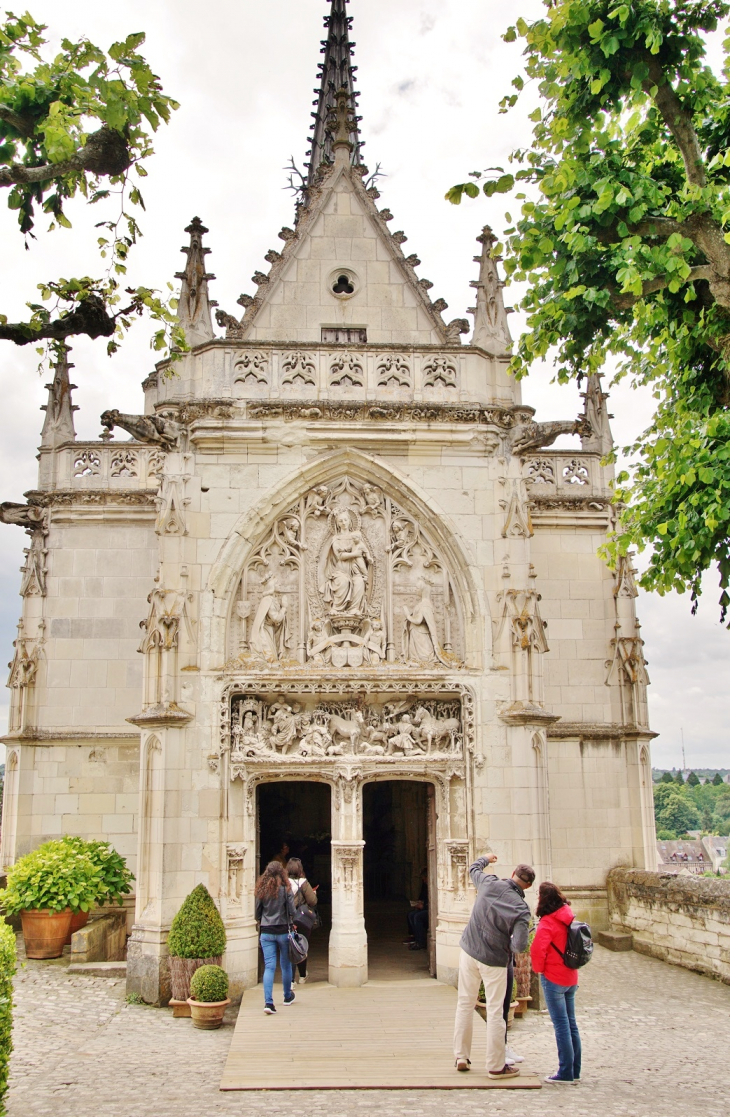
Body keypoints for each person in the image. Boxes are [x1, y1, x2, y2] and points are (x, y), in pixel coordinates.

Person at [453, 855, 535, 1081]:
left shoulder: (488, 883)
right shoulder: (521, 908)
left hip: (469, 951)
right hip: (494, 960)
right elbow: (519, 945)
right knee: (496, 1011)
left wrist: (486, 859)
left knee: (464, 1004)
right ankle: (496, 1067)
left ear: (512, 875)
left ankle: (461, 1056)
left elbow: (473, 868)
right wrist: (504, 943)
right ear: (527, 886)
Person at [530, 881, 582, 1084]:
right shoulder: (567, 915)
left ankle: (565, 1072)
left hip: (554, 977)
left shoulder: (548, 922)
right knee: (571, 1023)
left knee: (561, 1025)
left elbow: (537, 950)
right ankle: (575, 1070)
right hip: (571, 975)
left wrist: (539, 970)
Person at [254, 860, 297, 1014]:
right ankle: (287, 996)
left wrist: (265, 917)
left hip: (266, 932)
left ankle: (268, 1002)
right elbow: (292, 910)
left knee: (269, 966)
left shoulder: (262, 890)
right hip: (283, 931)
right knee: (285, 965)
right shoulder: (286, 889)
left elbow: (257, 912)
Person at [286, 857, 318, 984]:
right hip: (301, 919)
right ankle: (302, 976)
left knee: (290, 947)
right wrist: (314, 894)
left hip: (288, 919)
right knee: (301, 945)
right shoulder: (303, 883)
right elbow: (312, 901)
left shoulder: (283, 883)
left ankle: (291, 979)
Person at [404, 868, 429, 951]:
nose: (424, 881)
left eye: (424, 879)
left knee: (417, 917)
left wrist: (424, 906)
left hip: (430, 910)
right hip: (425, 907)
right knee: (411, 914)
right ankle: (415, 937)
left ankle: (421, 942)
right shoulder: (425, 886)